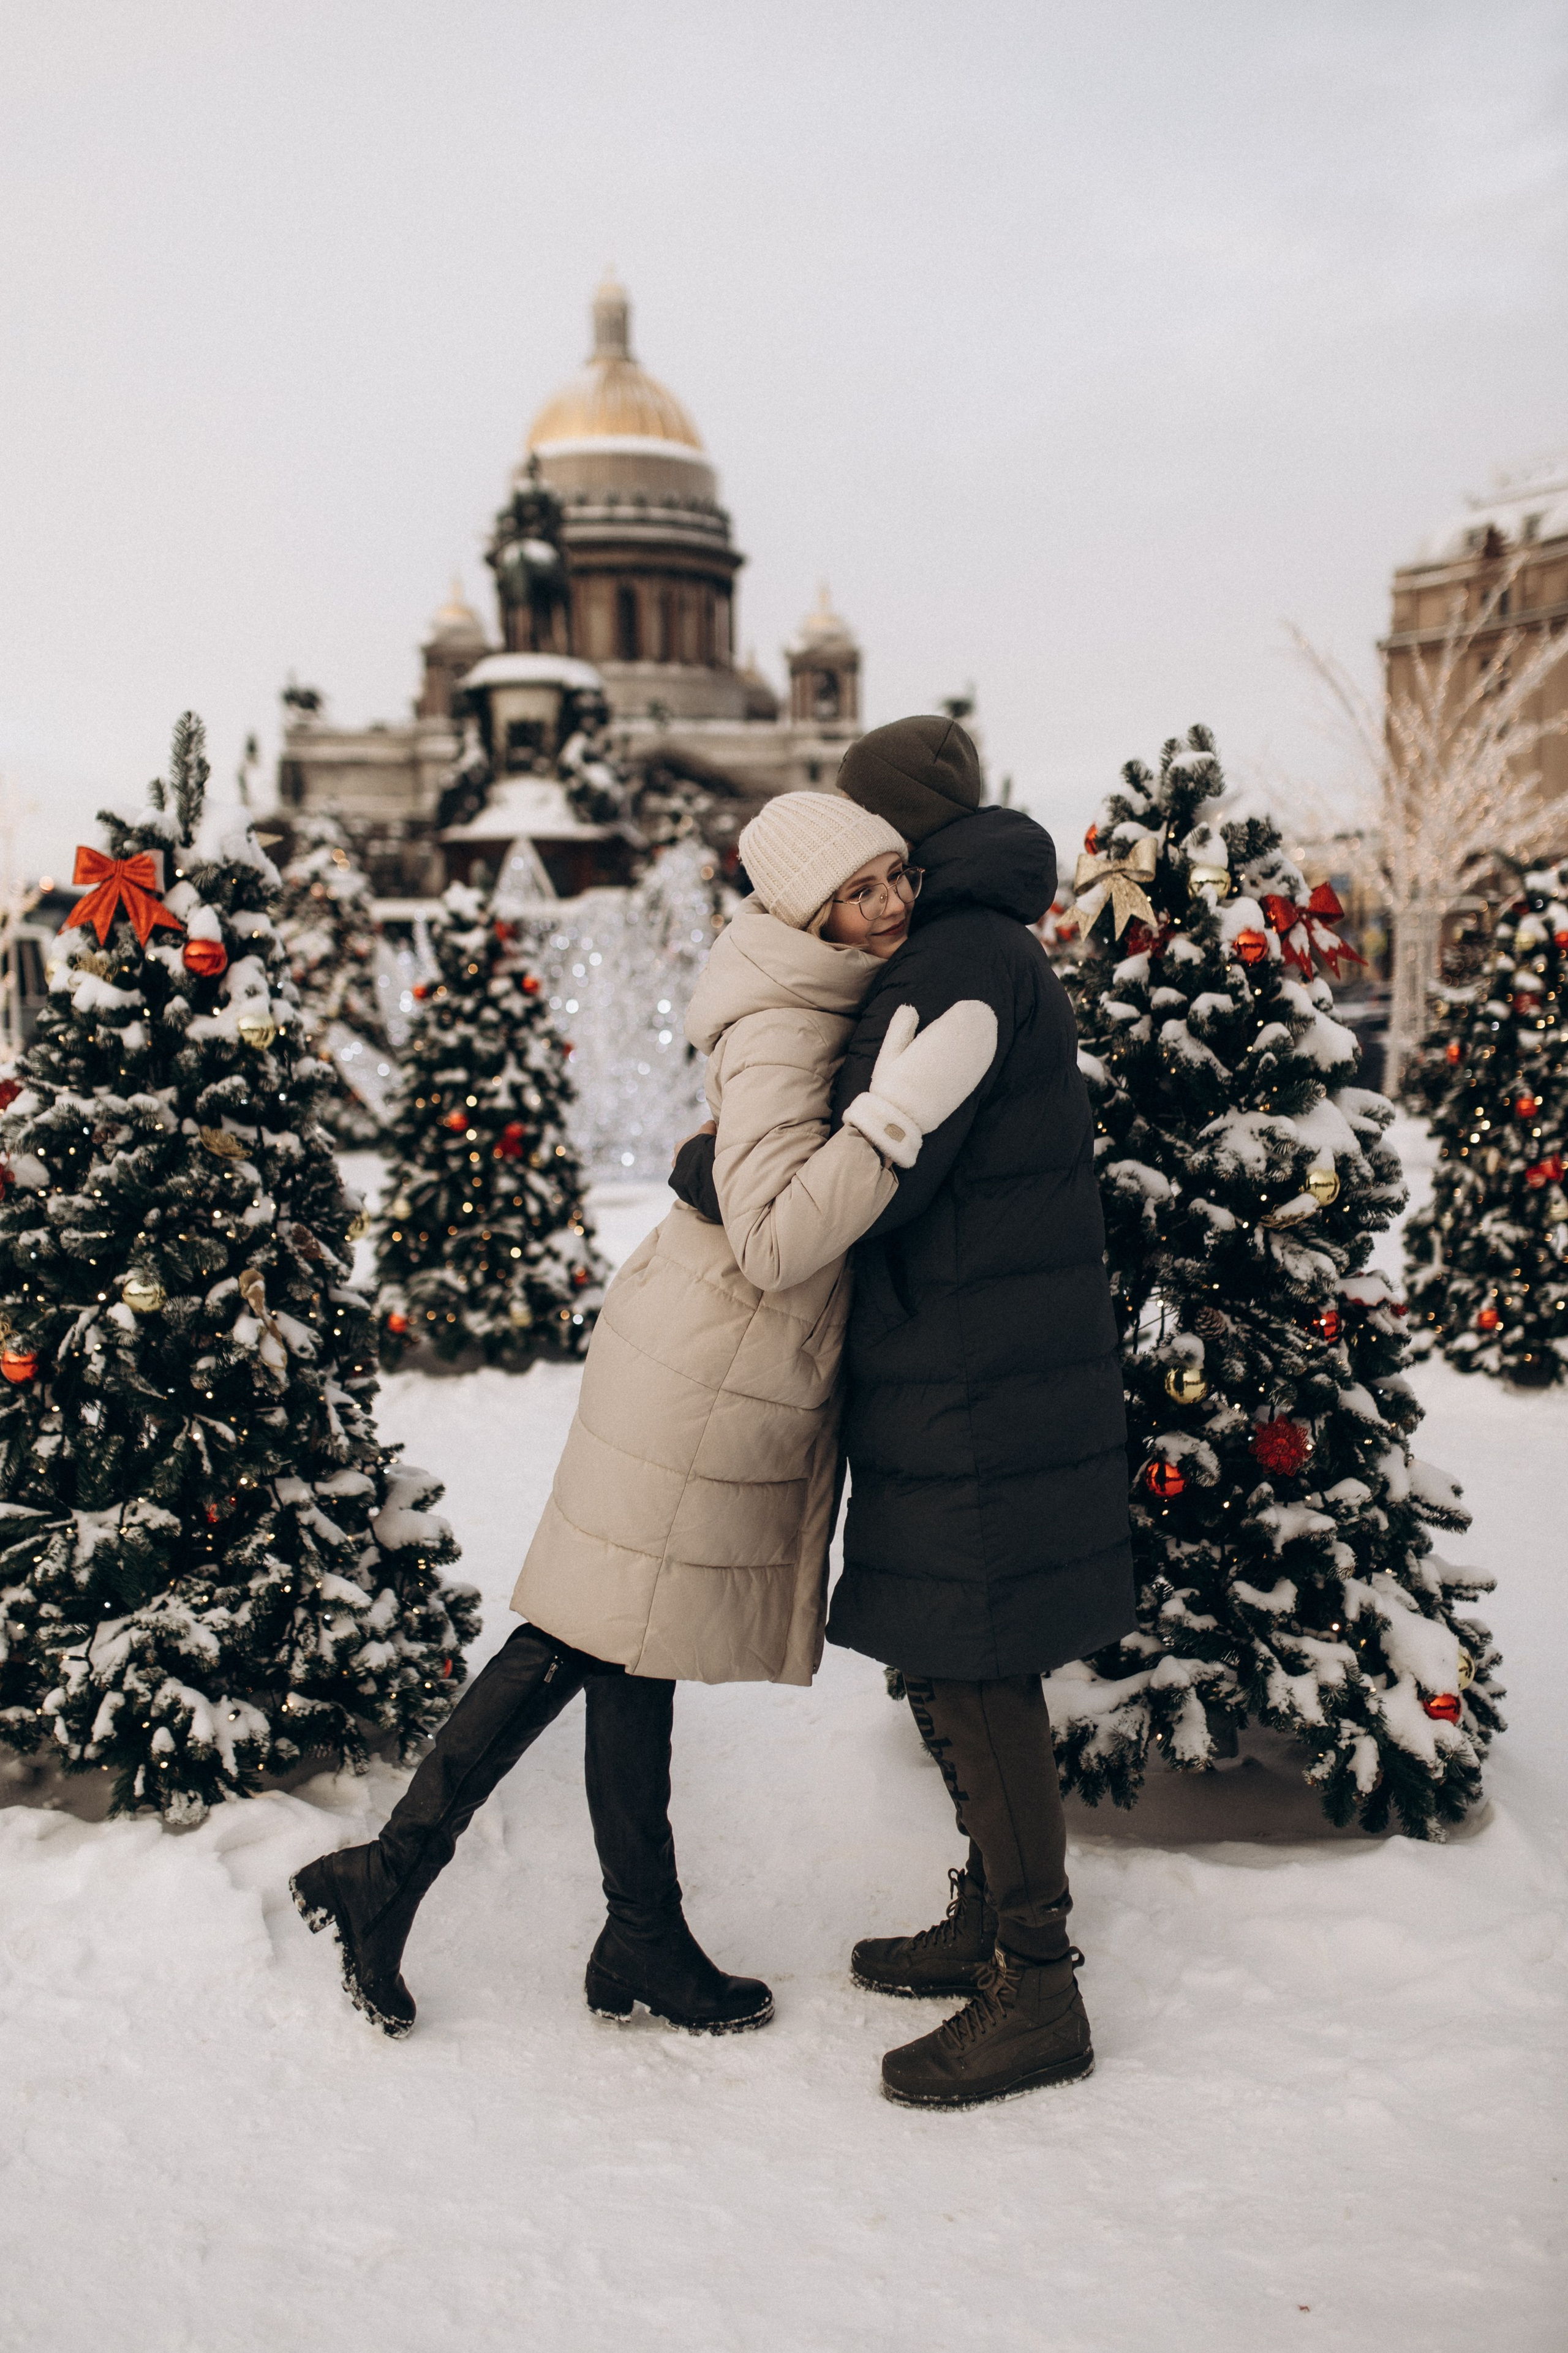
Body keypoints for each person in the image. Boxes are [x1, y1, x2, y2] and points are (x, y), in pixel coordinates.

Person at [290, 790, 997, 2041]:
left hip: (706, 1348)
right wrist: (891, 1121)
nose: (889, 903)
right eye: (859, 889)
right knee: (589, 1630)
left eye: (895, 876)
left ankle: (632, 1929)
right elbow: (778, 1239)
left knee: (624, 1634)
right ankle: (395, 1876)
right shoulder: (789, 1015)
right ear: (802, 908)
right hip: (711, 1359)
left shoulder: (813, 989)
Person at [674, 716, 1134, 2109]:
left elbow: (881, 1174)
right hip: (977, 1351)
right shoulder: (986, 940)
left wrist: (716, 1167)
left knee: (973, 1661)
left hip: (974, 1367)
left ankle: (1034, 1989)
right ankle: (992, 1917)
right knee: (955, 1654)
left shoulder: (948, 963)